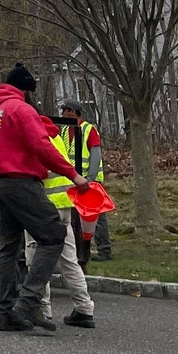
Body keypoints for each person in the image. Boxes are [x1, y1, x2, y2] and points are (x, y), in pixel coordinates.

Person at [0, 63, 88, 334]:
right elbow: (41, 145)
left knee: (8, 245)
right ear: (25, 90)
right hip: (20, 182)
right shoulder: (20, 109)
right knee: (52, 236)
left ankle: (6, 313)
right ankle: (28, 303)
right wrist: (74, 175)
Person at [28, 111, 96, 328]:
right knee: (68, 258)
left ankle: (42, 309)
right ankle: (84, 308)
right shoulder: (56, 136)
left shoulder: (33, 136)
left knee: (36, 256)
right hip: (64, 205)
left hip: (42, 207)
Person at [59, 100, 110, 259]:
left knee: (96, 216)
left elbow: (95, 154)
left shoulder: (88, 129)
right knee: (76, 217)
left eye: (66, 110)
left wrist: (90, 178)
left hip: (89, 181)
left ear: (74, 112)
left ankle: (104, 249)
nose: (63, 114)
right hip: (75, 181)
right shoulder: (65, 130)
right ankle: (81, 250)